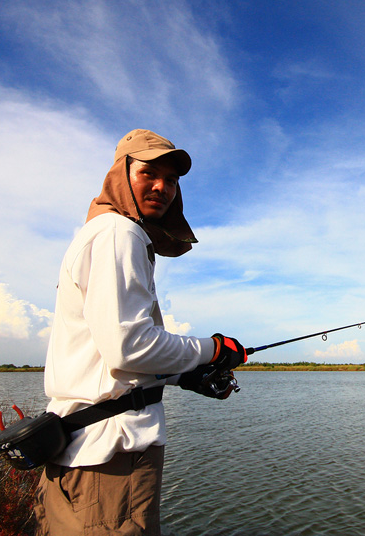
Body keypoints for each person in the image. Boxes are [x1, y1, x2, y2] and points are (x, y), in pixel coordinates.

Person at [34, 129, 246, 536]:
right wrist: (214, 350)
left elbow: (107, 355)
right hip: (112, 456)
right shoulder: (119, 233)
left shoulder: (99, 233)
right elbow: (128, 346)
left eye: (172, 180)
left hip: (77, 450)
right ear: (121, 173)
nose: (162, 187)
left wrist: (184, 376)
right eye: (149, 173)